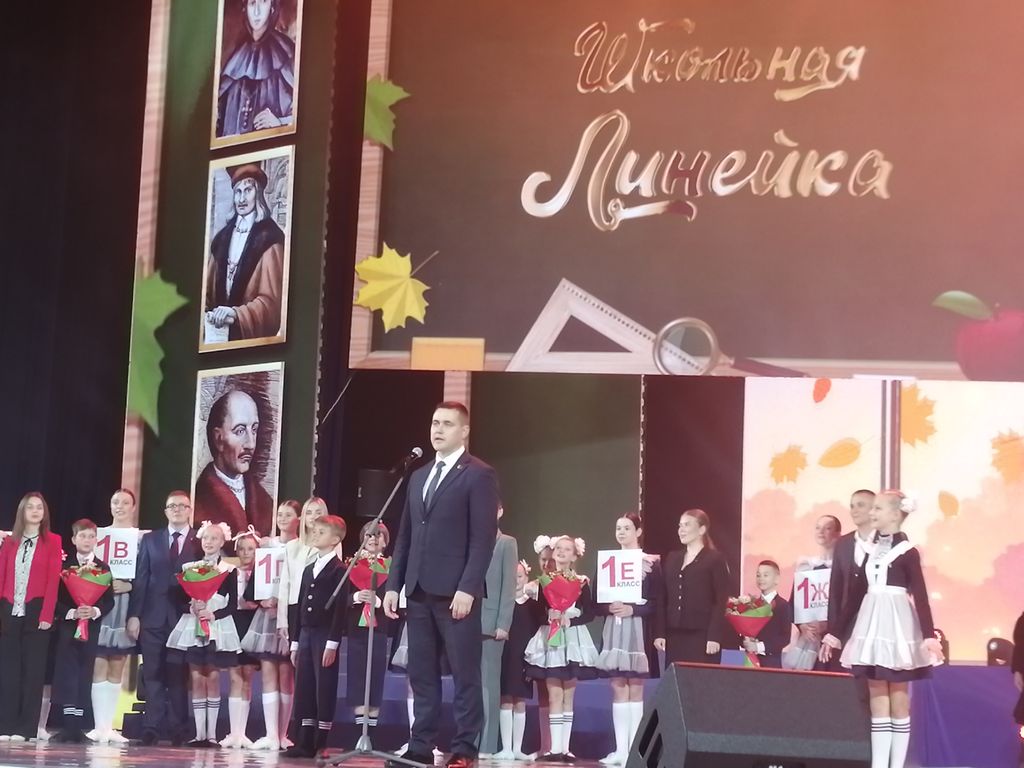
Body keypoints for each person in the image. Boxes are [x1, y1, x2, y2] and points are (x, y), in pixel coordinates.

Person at [383, 401, 500, 768]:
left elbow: (483, 539)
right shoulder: (419, 476)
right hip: (418, 590)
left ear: (464, 431)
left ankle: (465, 749)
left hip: (456, 593)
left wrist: (468, 587)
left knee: (465, 674)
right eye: (435, 422)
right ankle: (420, 746)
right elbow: (405, 536)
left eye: (447, 424)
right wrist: (393, 584)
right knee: (421, 674)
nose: (438, 429)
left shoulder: (478, 474)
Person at [819, 491, 943, 768]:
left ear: (895, 514)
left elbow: (921, 596)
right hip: (871, 625)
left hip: (896, 627)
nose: (872, 513)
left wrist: (928, 635)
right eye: (871, 508)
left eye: (877, 508)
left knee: (898, 697)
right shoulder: (872, 550)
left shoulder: (907, 552)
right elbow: (855, 596)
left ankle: (896, 765)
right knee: (877, 698)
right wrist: (835, 634)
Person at [126, 490, 202, 746]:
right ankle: (152, 727)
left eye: (182, 506)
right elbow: (141, 579)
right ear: (166, 511)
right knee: (152, 673)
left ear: (190, 510)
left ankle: (179, 728)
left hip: (184, 617)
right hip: (152, 617)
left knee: (178, 674)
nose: (177, 509)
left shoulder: (200, 540)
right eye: (172, 506)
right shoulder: (150, 539)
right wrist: (134, 615)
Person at [166, 521, 241, 747]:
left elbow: (233, 605)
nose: (209, 542)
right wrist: (191, 608)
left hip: (217, 627)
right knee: (197, 677)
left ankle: (212, 735)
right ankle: (199, 734)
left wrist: (213, 614)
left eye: (214, 538)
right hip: (193, 625)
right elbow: (178, 599)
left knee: (213, 677)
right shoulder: (190, 567)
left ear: (222, 542)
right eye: (206, 538)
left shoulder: (228, 569)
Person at [524, 535, 597, 763]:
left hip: (572, 639)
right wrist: (549, 615)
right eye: (559, 549)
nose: (562, 552)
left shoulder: (581, 582)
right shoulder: (544, 581)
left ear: (575, 556)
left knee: (568, 695)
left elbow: (590, 613)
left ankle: (565, 749)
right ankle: (554, 749)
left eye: (567, 549)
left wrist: (571, 620)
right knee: (554, 693)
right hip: (551, 637)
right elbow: (537, 613)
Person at [596, 514, 662, 766]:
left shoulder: (650, 563)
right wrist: (609, 607)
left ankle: (635, 751)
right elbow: (595, 602)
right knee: (617, 685)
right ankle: (620, 750)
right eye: (618, 528)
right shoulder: (607, 562)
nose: (621, 532)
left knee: (635, 686)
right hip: (614, 630)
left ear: (638, 531)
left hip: (639, 631)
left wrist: (633, 609)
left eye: (627, 528)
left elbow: (657, 602)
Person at [0, 493, 63, 742]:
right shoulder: (9, 541)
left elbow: (52, 582)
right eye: (30, 507)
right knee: (8, 671)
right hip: (9, 609)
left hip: (37, 610)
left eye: (39, 507)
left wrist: (47, 614)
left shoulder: (53, 541)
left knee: (33, 672)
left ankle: (26, 728)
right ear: (22, 512)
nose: (35, 511)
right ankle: (5, 725)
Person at [284, 514, 347, 759]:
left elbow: (340, 610)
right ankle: (304, 741)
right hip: (307, 633)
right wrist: (295, 641)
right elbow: (300, 604)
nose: (315, 535)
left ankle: (321, 741)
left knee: (324, 686)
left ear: (335, 540)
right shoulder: (309, 568)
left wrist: (333, 642)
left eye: (322, 532)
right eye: (314, 531)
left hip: (324, 635)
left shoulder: (339, 570)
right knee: (305, 685)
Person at [205, 161, 285, 345]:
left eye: (248, 190)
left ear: (258, 194)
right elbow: (206, 295)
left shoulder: (270, 239)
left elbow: (272, 305)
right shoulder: (221, 240)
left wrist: (235, 314)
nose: (241, 199)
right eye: (238, 192)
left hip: (247, 343)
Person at [50, 519, 115, 744]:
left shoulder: (103, 568)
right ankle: (67, 726)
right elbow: (54, 597)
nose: (87, 540)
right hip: (68, 627)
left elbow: (109, 601)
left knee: (84, 672)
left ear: (96, 540)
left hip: (91, 628)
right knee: (67, 674)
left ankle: (78, 727)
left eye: (91, 537)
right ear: (73, 539)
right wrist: (71, 612)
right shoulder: (64, 566)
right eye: (82, 536)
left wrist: (94, 611)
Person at [244, 500, 300, 750]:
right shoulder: (267, 546)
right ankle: (270, 734)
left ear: (298, 519)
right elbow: (255, 584)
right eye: (280, 514)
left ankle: (283, 734)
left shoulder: (302, 547)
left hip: (289, 616)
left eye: (288, 514)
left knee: (286, 675)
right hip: (267, 616)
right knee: (268, 673)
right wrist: (262, 600)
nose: (283, 518)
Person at [90, 488, 142, 744]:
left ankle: (109, 726)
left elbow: (146, 575)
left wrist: (129, 586)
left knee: (118, 662)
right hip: (101, 604)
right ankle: (98, 726)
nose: (119, 506)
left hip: (125, 605)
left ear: (133, 507)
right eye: (115, 502)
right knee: (99, 662)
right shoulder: (98, 536)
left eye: (125, 502)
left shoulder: (140, 538)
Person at [653, 509, 730, 665]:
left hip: (702, 636)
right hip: (674, 635)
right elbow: (662, 597)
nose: (681, 530)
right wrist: (660, 633)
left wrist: (714, 636)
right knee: (676, 678)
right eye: (680, 525)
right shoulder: (673, 558)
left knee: (701, 678)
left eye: (687, 525)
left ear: (702, 529)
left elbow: (720, 601)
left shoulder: (715, 559)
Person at [194, 389, 275, 536]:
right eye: (240, 431)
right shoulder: (200, 500)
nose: (250, 444)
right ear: (219, 439)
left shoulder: (264, 500)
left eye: (254, 430)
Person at [217, 0, 296, 139]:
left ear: (272, 7)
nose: (257, 12)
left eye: (263, 2)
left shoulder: (286, 53)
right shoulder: (236, 57)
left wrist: (279, 123)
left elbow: (305, 113)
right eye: (252, 3)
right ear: (245, 8)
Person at [344, 522, 392, 739]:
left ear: (385, 541)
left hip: (379, 628)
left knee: (375, 678)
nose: (373, 538)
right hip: (356, 629)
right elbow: (341, 598)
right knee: (357, 679)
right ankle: (358, 734)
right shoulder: (352, 564)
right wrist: (356, 597)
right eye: (369, 535)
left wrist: (379, 601)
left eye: (378, 535)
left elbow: (395, 596)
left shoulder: (390, 566)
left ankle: (370, 734)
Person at [480, 506, 517, 757]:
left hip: (492, 623)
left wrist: (503, 623)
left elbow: (509, 585)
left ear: (501, 511)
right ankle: (469, 741)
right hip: (467, 620)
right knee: (470, 686)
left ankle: (486, 744)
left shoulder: (506, 543)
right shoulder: (470, 540)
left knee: (488, 685)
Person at [495, 561, 541, 761]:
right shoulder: (502, 604)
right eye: (513, 577)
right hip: (505, 656)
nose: (516, 581)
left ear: (526, 578)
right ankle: (506, 748)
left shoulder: (532, 605)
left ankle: (517, 749)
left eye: (520, 577)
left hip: (524, 657)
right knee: (506, 699)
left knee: (520, 701)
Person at [783, 514, 842, 670]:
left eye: (827, 528)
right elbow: (794, 603)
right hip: (808, 640)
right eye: (818, 528)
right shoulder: (807, 566)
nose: (821, 532)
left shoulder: (842, 567)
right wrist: (803, 626)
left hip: (834, 640)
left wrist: (828, 625)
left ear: (837, 534)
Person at [827, 490, 876, 668]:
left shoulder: (888, 541)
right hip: (847, 625)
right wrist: (834, 631)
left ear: (874, 509)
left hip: (876, 622)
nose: (854, 510)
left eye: (860, 505)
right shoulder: (843, 543)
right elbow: (835, 590)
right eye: (852, 506)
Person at [222, 529, 260, 748]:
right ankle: (233, 732)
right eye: (242, 549)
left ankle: (242, 732)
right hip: (234, 622)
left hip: (253, 623)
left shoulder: (262, 574)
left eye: (251, 549)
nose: (246, 553)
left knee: (247, 677)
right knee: (235, 677)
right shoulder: (230, 573)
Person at [742, 560, 791, 669]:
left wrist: (758, 647)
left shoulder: (783, 605)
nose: (761, 579)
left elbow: (785, 638)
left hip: (771, 663)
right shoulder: (751, 605)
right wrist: (745, 641)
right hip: (750, 662)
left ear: (776, 579)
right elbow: (743, 631)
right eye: (758, 575)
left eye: (766, 575)